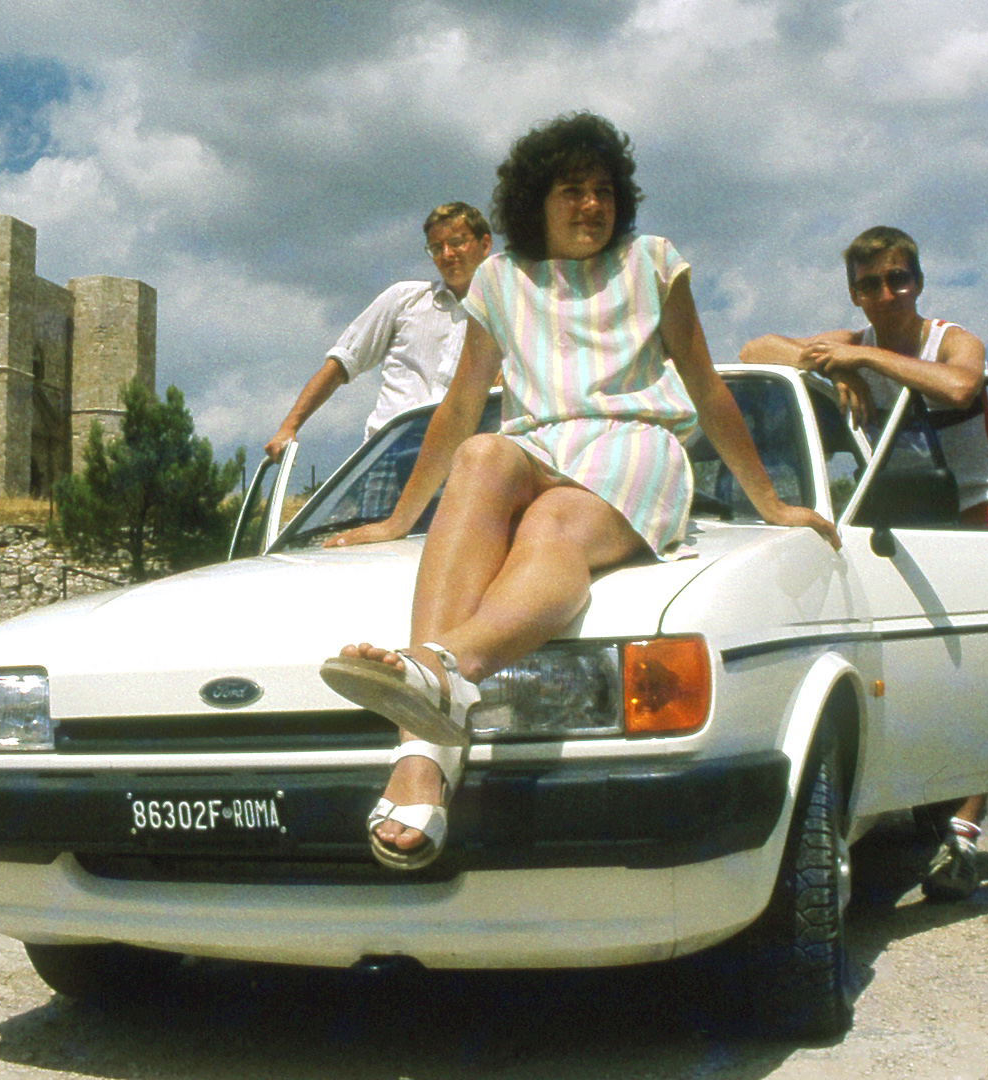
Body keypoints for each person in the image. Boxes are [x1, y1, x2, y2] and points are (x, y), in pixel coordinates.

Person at [317, 112, 840, 872]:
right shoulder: (497, 281)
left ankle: (436, 689)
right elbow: (460, 405)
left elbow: (703, 383)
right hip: (539, 440)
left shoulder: (653, 263)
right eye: (571, 191)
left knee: (554, 522)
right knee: (482, 453)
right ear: (536, 200)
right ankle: (434, 709)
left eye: (602, 191)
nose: (591, 205)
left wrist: (770, 502)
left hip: (633, 443)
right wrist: (398, 517)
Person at [738, 225, 988, 901]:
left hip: (978, 508)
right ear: (854, 293)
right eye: (870, 284)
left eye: (898, 279)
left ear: (917, 282)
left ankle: (961, 836)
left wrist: (864, 365)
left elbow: (957, 386)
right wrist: (832, 361)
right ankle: (911, 789)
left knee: (977, 666)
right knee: (908, 661)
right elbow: (754, 349)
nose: (886, 293)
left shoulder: (950, 337)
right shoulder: (851, 339)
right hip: (900, 512)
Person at [263, 202, 493, 462]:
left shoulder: (508, 312)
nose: (447, 254)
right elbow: (342, 362)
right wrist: (288, 427)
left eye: (456, 241)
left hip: (461, 457)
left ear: (484, 245)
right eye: (437, 248)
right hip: (388, 451)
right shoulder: (404, 299)